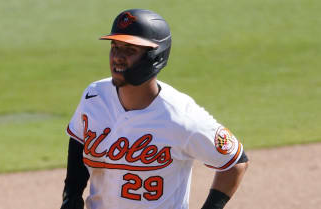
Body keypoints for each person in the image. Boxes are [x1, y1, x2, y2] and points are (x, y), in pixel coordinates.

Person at [60, 9, 249, 209]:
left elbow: (235, 162)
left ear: (155, 56)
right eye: (115, 47)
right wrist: (71, 195)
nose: (117, 57)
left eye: (130, 50)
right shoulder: (94, 96)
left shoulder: (181, 117)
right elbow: (79, 139)